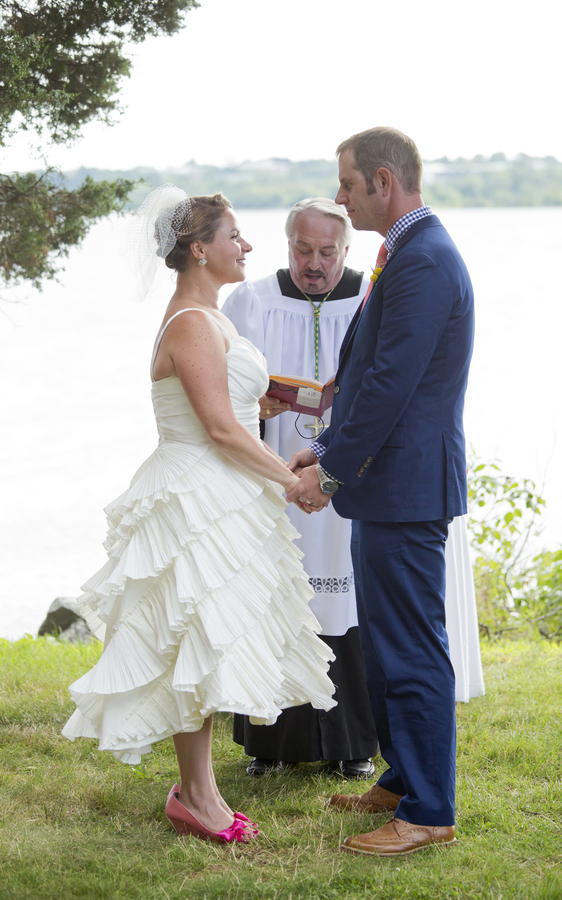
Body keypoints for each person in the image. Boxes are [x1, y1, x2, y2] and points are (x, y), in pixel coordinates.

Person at [62, 185, 337, 845]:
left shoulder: (210, 318)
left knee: (208, 643)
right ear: (198, 249)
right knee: (195, 641)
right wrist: (293, 481)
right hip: (194, 493)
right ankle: (195, 796)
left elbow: (230, 410)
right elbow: (216, 428)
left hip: (224, 493)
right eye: (234, 236)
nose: (245, 246)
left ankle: (198, 791)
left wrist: (266, 410)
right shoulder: (188, 322)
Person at [286, 127, 475, 856]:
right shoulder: (404, 252)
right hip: (388, 484)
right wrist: (327, 445)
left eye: (347, 184)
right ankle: (402, 781)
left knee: (413, 650)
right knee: (388, 648)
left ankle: (428, 811)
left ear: (384, 182)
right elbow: (367, 367)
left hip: (406, 486)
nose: (339, 196)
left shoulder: (424, 260)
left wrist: (329, 472)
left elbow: (394, 386)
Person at [222, 198, 378, 779]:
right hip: (272, 479)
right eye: (302, 250)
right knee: (273, 598)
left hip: (346, 484)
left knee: (348, 600)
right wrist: (256, 407)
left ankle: (354, 743)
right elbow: (220, 389)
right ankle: (270, 745)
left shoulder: (371, 299)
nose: (314, 263)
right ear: (288, 244)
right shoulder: (251, 301)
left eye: (327, 252)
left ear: (346, 249)